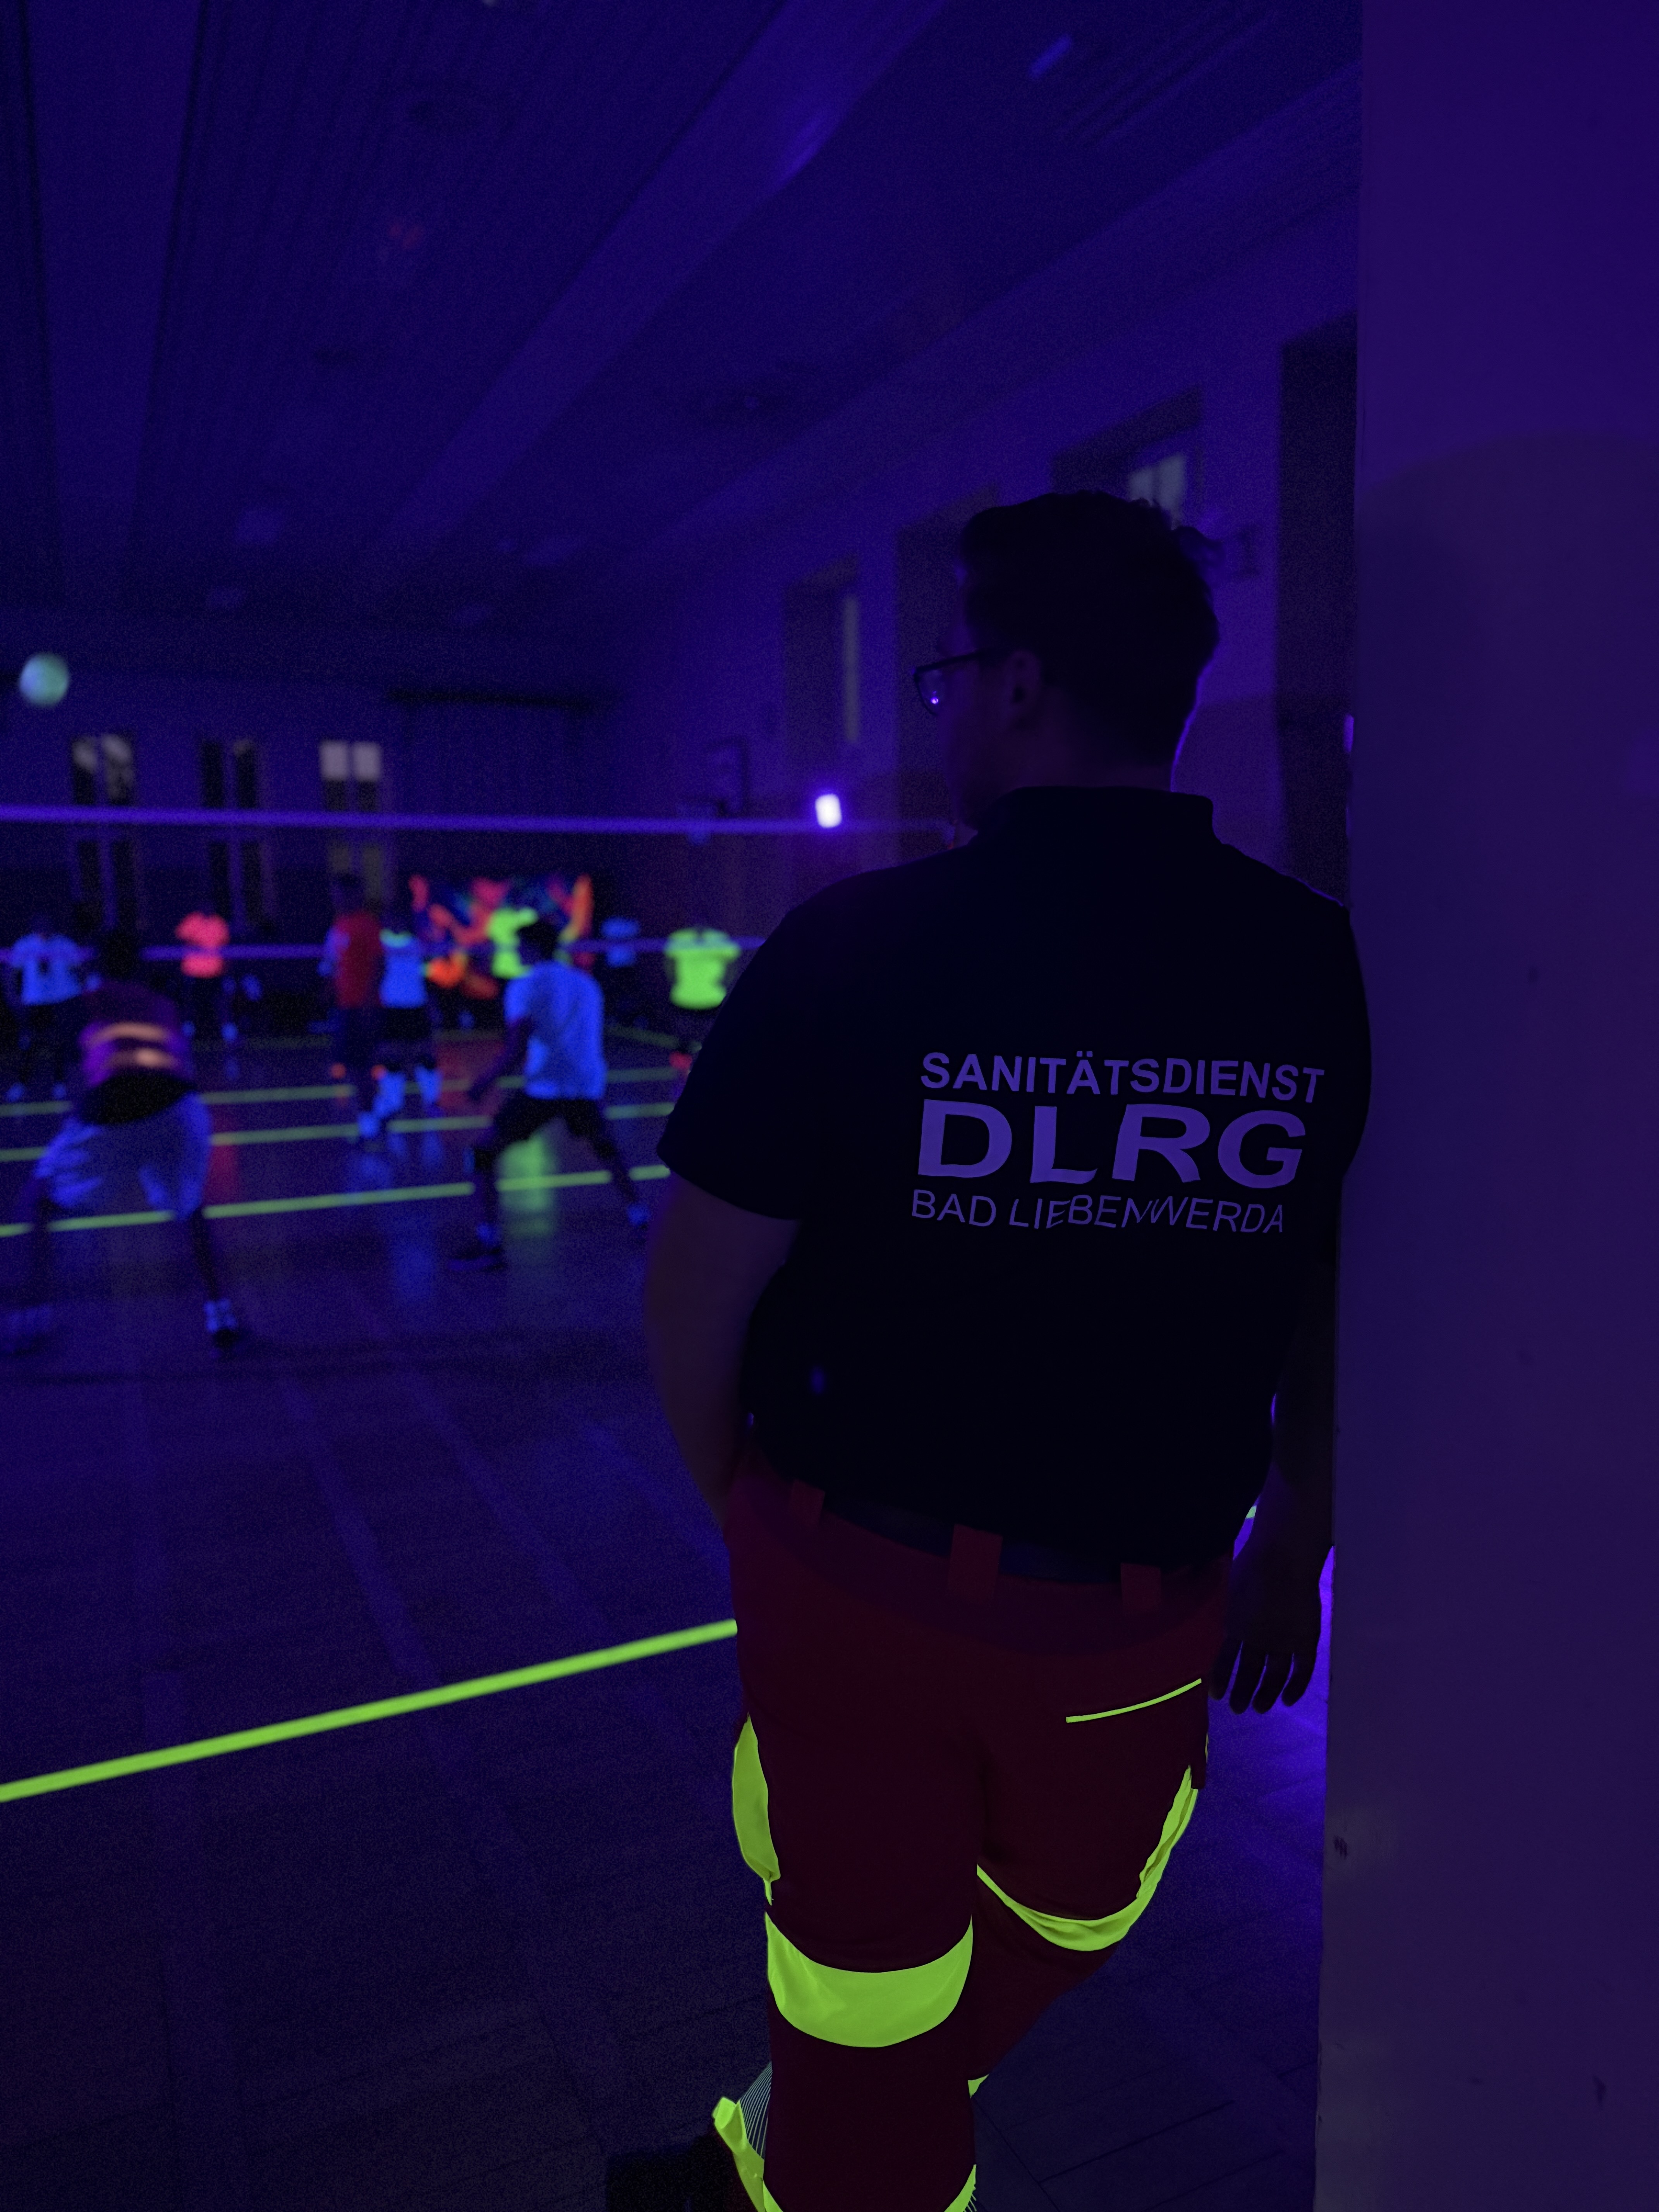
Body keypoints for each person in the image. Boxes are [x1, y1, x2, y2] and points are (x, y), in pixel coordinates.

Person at [634, 492, 1370, 2212]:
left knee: (871, 1998)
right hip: (1131, 1604)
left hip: (846, 1576)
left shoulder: (853, 948)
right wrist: (1297, 1528)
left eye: (946, 675)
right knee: (1021, 1936)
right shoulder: (1305, 964)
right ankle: (788, 2149)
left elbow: (692, 1295)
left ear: (1018, 683)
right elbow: (1329, 1279)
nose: (941, 709)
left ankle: (789, 2146)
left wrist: (757, 1516)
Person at [5, 929, 239, 1355]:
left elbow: (83, 1078)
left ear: (96, 963)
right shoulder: (163, 1004)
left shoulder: (83, 1004)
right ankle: (221, 1317)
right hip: (180, 1110)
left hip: (116, 1108)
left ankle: (29, 1320)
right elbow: (179, 1063)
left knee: (38, 1202)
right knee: (191, 1208)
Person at [450, 918, 649, 1269]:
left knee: (482, 1154)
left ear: (531, 948)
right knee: (606, 1149)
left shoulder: (524, 987)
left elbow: (516, 1047)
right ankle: (641, 1218)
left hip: (545, 1089)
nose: (515, 953)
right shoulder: (585, 983)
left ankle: (489, 1241)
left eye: (519, 947)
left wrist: (484, 1083)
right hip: (585, 1087)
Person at [319, 874, 383, 1139]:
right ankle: (372, 1116)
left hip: (361, 1007)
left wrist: (368, 1005)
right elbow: (336, 964)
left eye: (342, 894)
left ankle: (371, 1122)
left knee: (362, 1067)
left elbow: (378, 966)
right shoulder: (339, 925)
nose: (338, 899)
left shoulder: (366, 925)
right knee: (354, 1067)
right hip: (346, 1007)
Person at [370, 899, 443, 1127]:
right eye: (392, 917)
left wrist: (432, 1006)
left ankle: (432, 1101)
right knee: (392, 1057)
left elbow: (429, 975)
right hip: (391, 1008)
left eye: (400, 918)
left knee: (426, 1056)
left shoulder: (418, 944)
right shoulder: (379, 944)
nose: (396, 922)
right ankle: (394, 1103)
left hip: (416, 1007)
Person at [5, 913, 88, 1099]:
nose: (44, 930)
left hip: (62, 999)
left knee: (59, 1042)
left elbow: (80, 968)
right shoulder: (24, 945)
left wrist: (85, 991)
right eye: (39, 926)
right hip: (35, 1001)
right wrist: (13, 995)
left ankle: (60, 1083)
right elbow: (12, 972)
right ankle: (22, 1083)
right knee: (29, 1042)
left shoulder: (65, 944)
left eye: (47, 925)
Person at [663, 918, 740, 1071]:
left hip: (712, 999)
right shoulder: (679, 938)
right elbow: (669, 962)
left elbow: (731, 963)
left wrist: (724, 983)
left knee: (713, 1036)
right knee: (683, 1038)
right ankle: (681, 1073)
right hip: (684, 998)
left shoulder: (719, 938)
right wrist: (675, 982)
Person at [174, 907, 231, 1040]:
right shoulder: (192, 920)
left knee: (220, 1003)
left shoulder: (219, 922)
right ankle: (187, 1035)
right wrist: (195, 943)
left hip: (215, 972)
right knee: (191, 1004)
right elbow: (180, 938)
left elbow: (225, 946)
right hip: (193, 972)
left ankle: (230, 1036)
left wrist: (226, 968)